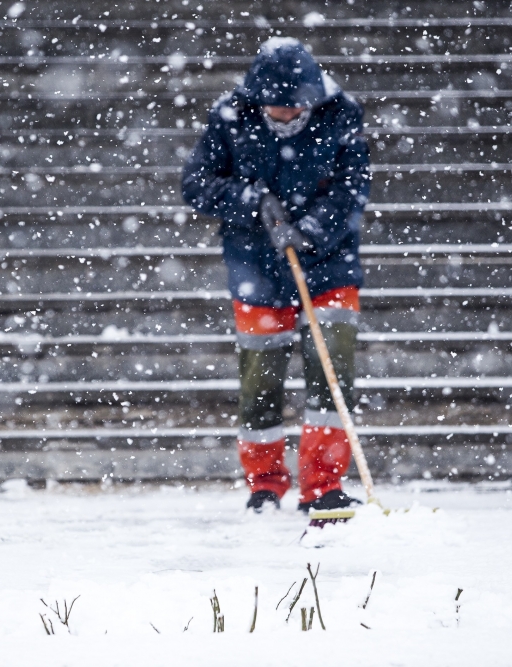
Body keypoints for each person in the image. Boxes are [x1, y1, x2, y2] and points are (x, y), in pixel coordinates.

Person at [182, 38, 371, 513]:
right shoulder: (231, 114)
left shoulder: (341, 114)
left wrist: (311, 230)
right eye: (276, 107)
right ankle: (265, 485)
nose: (285, 116)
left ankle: (323, 486)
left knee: (332, 375)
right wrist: (253, 203)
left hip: (329, 267)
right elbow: (196, 183)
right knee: (260, 382)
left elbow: (353, 187)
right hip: (257, 271)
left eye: (294, 108)